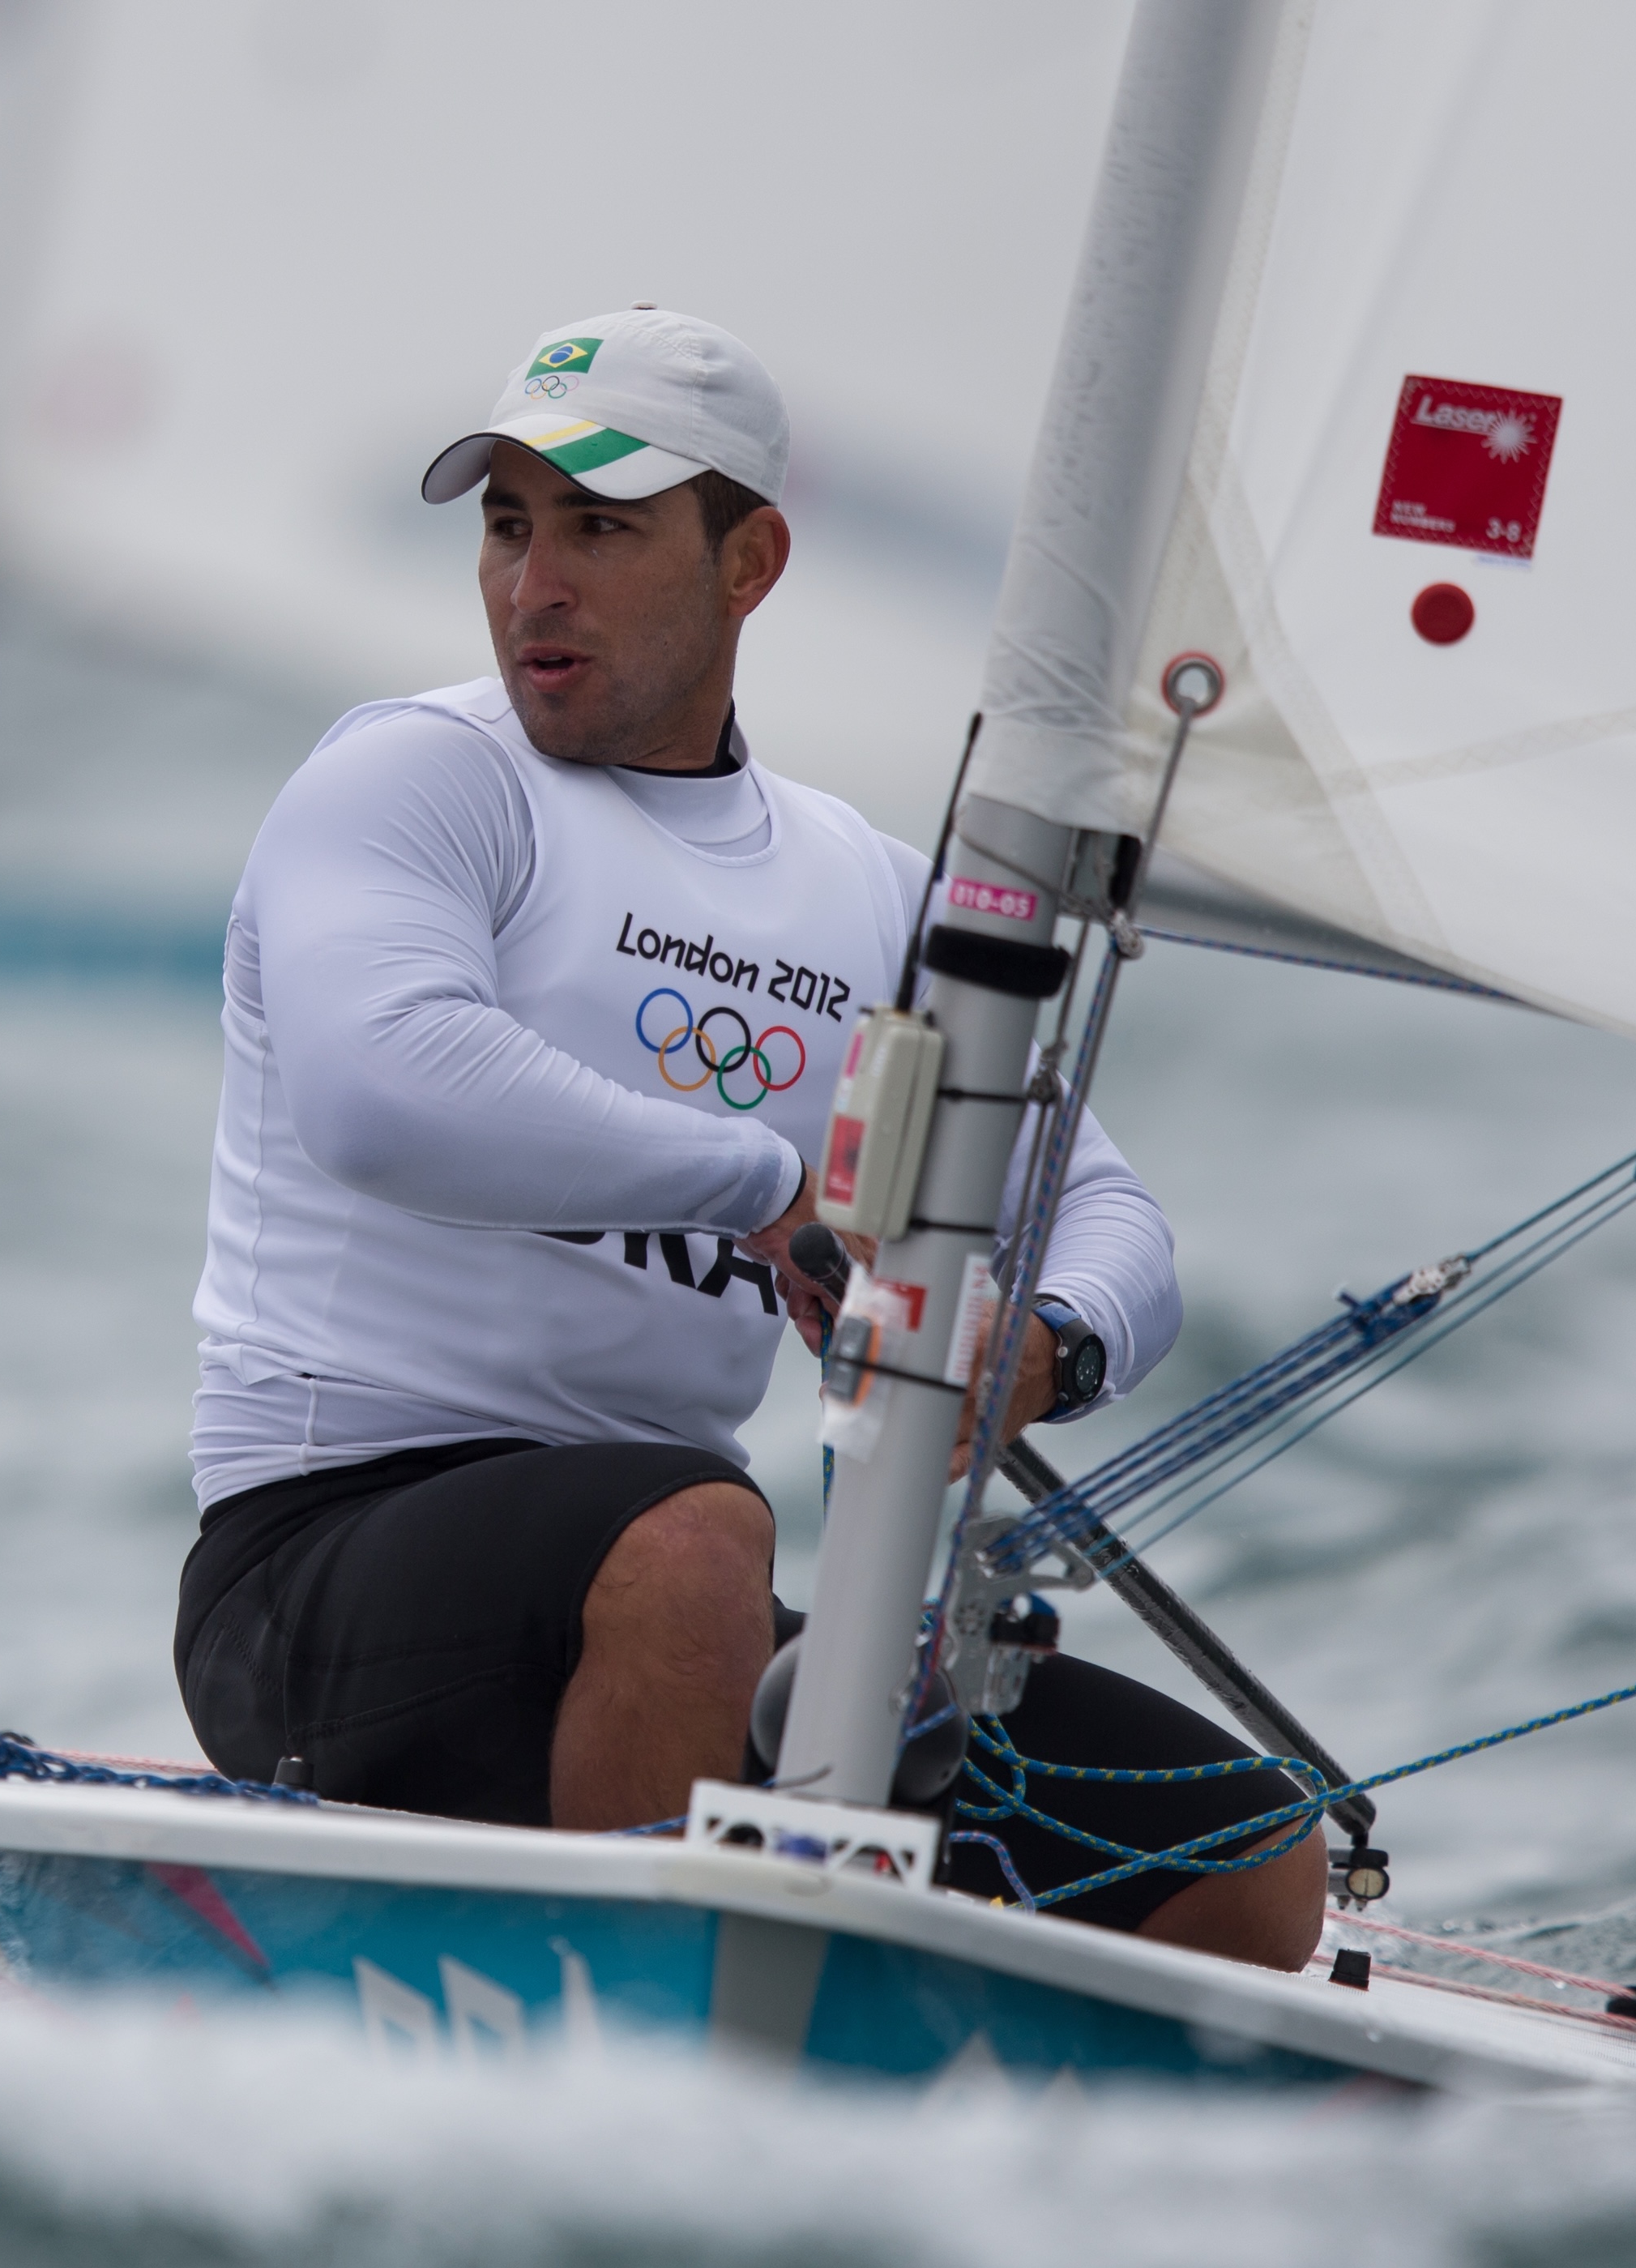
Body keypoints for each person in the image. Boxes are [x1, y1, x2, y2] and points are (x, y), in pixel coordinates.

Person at [175, 307, 1326, 1968]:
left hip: (663, 1616)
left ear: (751, 560)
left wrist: (1042, 1350)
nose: (531, 582)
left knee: (1249, 1844)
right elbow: (384, 1090)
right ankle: (655, 2081)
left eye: (599, 526)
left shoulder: (858, 887)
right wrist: (768, 1181)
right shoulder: (417, 781)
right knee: (702, 1527)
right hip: (320, 1572)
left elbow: (1099, 1202)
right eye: (505, 525)